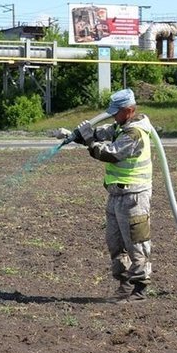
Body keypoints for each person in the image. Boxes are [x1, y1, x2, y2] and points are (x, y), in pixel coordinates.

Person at [60, 88, 156, 302]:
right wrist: (73, 135)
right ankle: (124, 284)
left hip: (134, 197)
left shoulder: (135, 133)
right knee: (115, 242)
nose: (113, 115)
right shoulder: (120, 127)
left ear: (129, 110)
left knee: (136, 243)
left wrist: (89, 141)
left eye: (117, 112)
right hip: (116, 195)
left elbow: (110, 153)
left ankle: (140, 289)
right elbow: (96, 136)